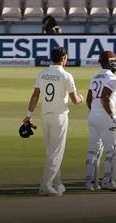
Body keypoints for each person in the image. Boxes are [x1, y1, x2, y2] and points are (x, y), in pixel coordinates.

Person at [24, 47, 83, 196]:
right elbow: (75, 100)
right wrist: (82, 98)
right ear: (63, 58)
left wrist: (29, 115)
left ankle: (58, 183)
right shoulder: (66, 75)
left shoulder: (43, 73)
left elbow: (35, 95)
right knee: (55, 153)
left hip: (45, 116)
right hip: (59, 116)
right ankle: (46, 185)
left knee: (51, 151)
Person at [85, 51, 116, 191]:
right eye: (114, 61)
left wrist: (94, 111)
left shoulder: (94, 77)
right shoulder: (113, 78)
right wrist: (112, 116)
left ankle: (90, 182)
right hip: (106, 118)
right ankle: (108, 181)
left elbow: (89, 99)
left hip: (93, 117)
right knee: (112, 151)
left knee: (93, 151)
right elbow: (105, 98)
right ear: (109, 62)